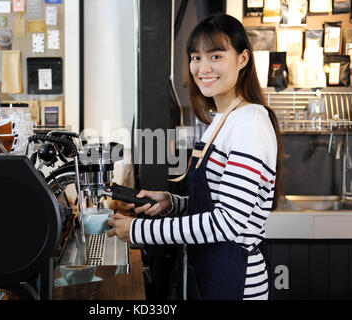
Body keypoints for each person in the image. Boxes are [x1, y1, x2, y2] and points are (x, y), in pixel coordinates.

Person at [107, 14, 282, 300]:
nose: (203, 68)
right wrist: (171, 203)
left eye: (215, 56)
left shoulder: (250, 123)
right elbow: (216, 202)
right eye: (195, 57)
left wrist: (140, 230)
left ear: (242, 59)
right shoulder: (223, 119)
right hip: (214, 275)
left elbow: (228, 222)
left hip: (239, 283)